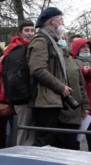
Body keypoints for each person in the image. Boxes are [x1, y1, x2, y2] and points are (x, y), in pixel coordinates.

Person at [27, 7, 72, 147]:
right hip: (44, 100)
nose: (63, 23)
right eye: (61, 20)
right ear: (53, 22)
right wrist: (60, 87)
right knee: (43, 141)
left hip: (51, 99)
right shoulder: (41, 41)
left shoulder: (52, 41)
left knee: (51, 141)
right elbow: (38, 69)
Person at [0, 20, 35, 147]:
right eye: (27, 31)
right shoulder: (15, 49)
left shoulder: (32, 47)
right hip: (22, 98)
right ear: (20, 33)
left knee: (30, 132)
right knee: (21, 132)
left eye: (32, 30)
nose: (30, 33)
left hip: (30, 96)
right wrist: (22, 96)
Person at [54, 35, 90, 150]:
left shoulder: (74, 63)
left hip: (74, 110)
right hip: (56, 109)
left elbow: (81, 86)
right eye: (58, 40)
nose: (61, 42)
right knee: (57, 145)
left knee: (72, 145)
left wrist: (85, 105)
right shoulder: (50, 62)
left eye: (63, 39)